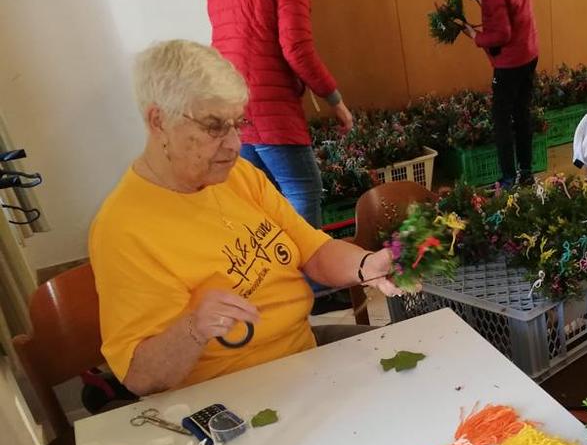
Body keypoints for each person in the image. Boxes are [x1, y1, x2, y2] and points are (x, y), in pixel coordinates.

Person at [89, 41, 402, 396]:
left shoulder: (237, 175)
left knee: (417, 369)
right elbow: (141, 377)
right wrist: (194, 327)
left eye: (238, 124)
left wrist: (366, 265)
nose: (235, 144)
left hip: (301, 353)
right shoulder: (122, 228)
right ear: (158, 121)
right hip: (228, 393)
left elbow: (313, 251)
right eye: (214, 127)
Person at [207, 0, 352, 228]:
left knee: (260, 197)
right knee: (303, 190)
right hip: (271, 105)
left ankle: (279, 253)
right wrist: (335, 100)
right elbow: (297, 49)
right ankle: (305, 255)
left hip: (233, 102)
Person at [462, 0, 539, 188]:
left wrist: (475, 36)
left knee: (501, 119)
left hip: (510, 63)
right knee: (522, 113)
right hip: (528, 52)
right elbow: (511, 10)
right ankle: (526, 172)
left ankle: (508, 178)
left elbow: (502, 34)